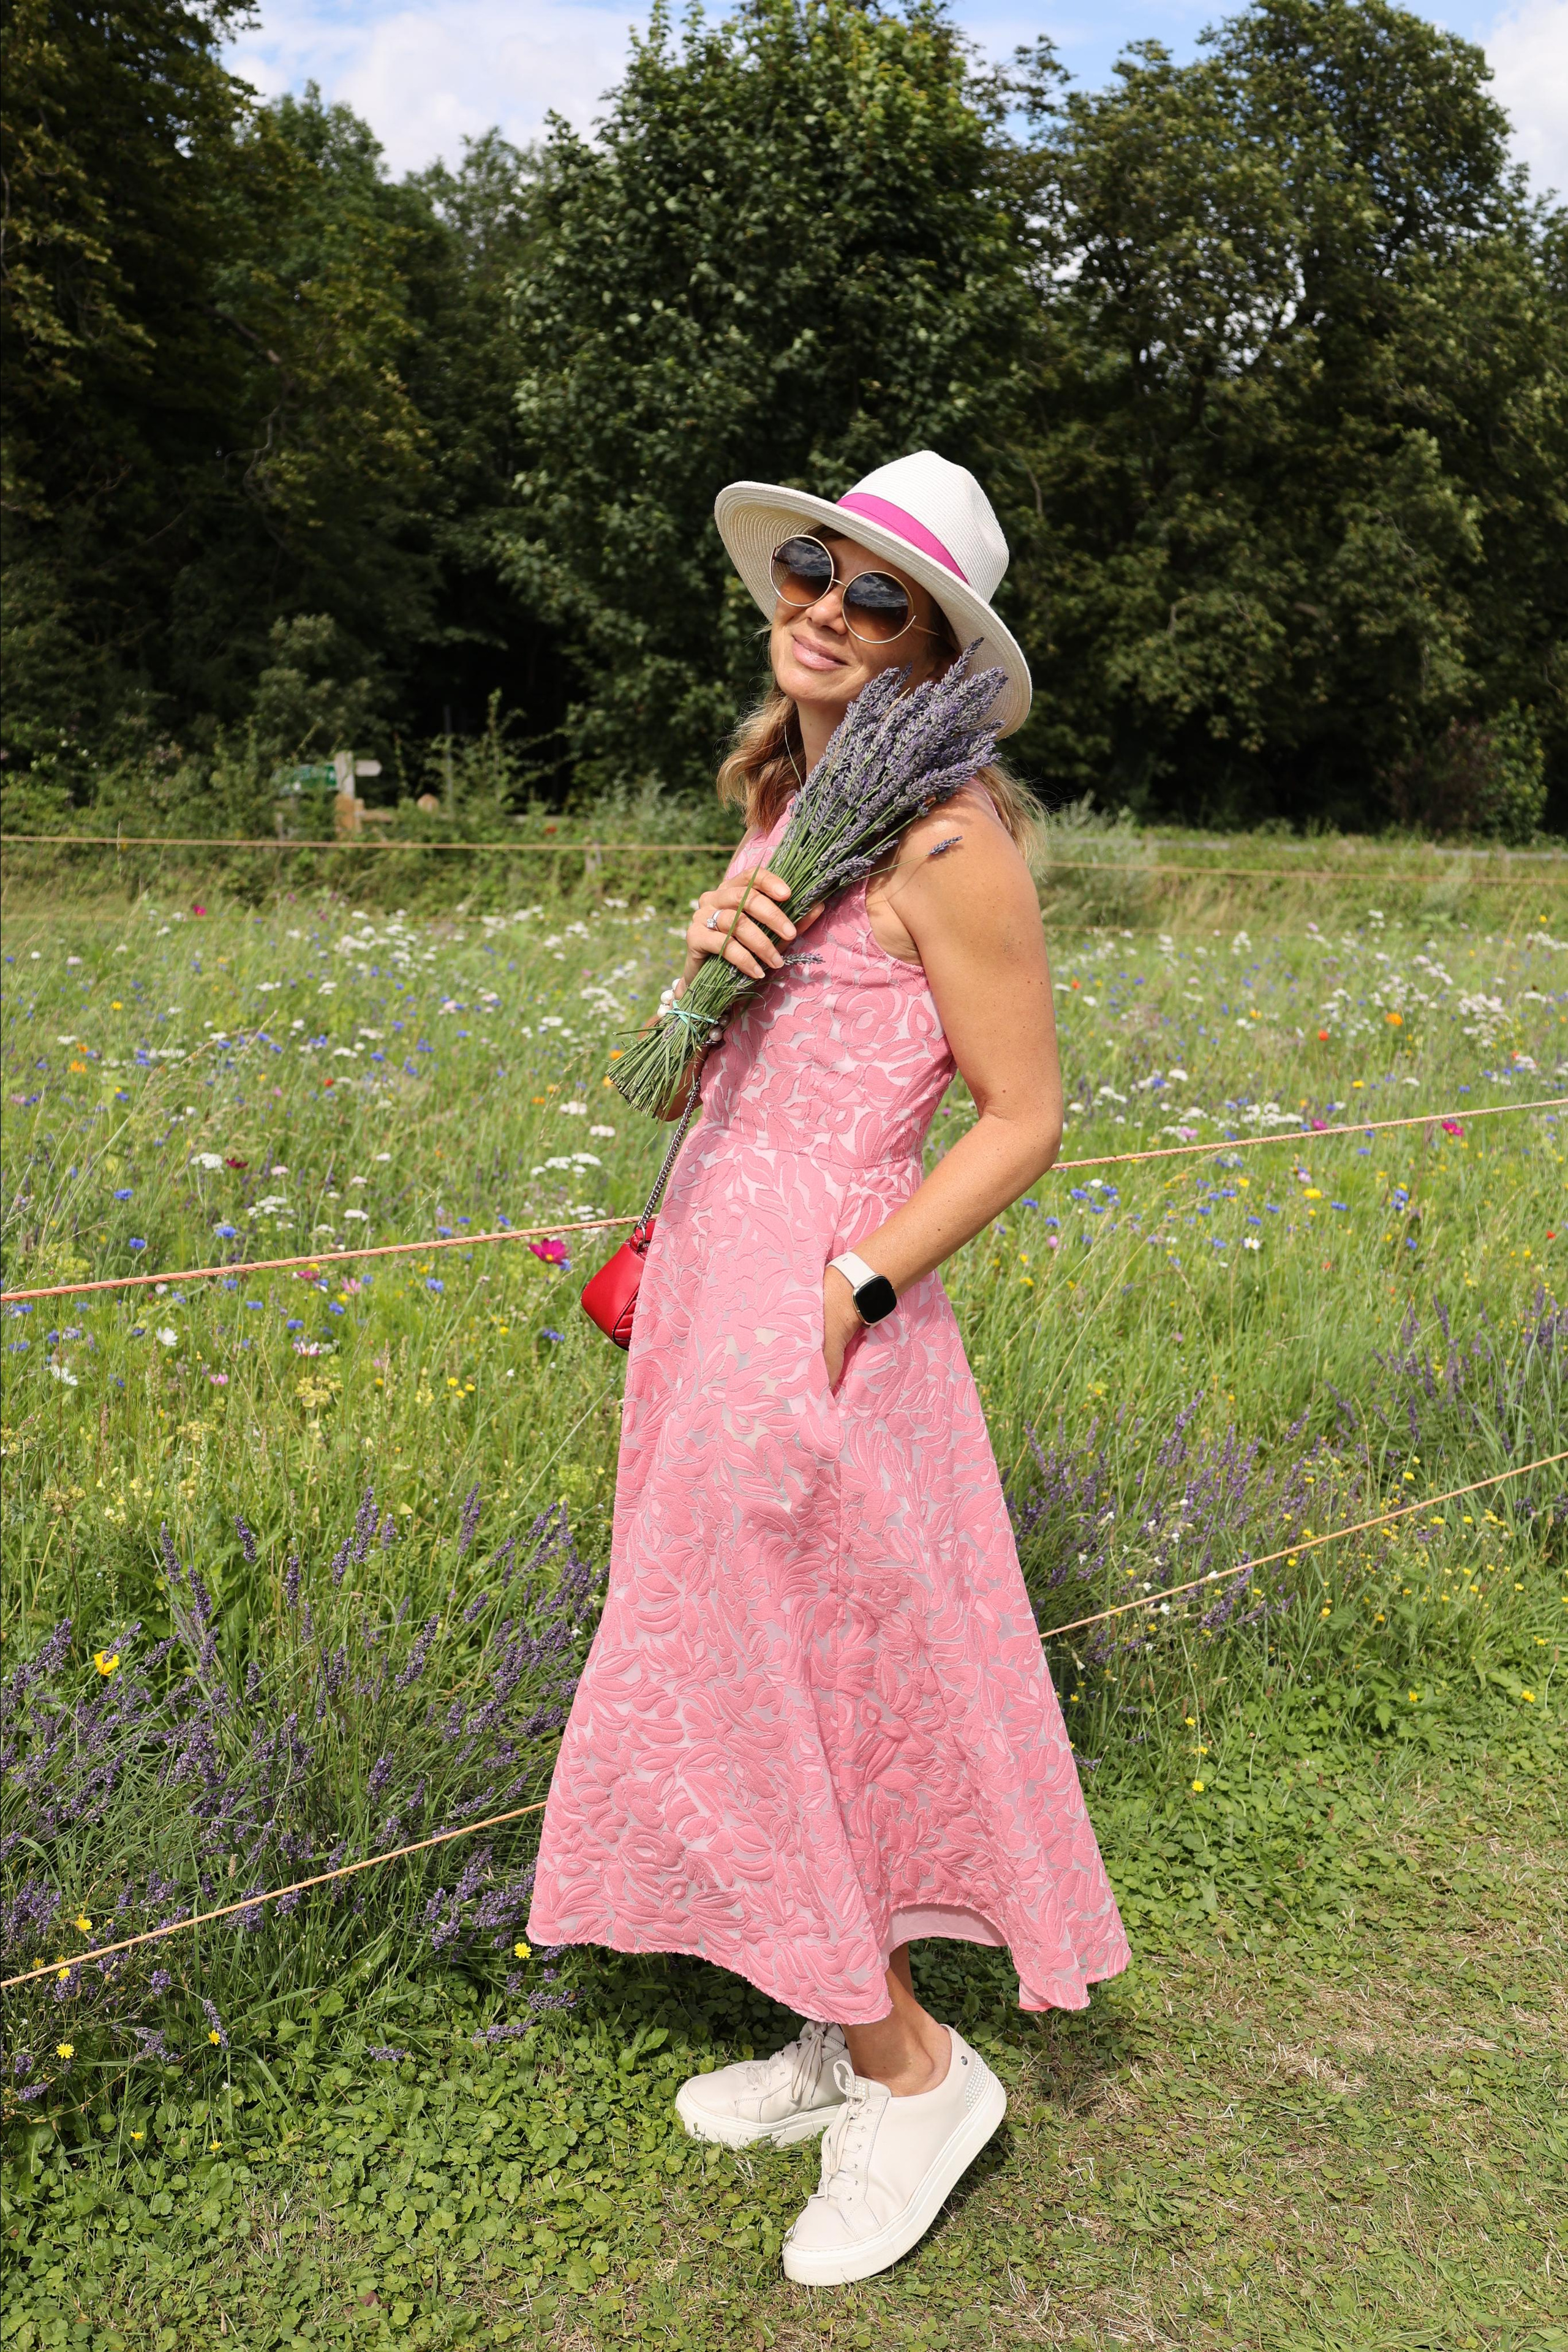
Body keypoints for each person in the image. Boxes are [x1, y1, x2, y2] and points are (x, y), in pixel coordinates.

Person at [527, 451, 1128, 2286]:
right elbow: (711, 1088)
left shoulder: (949, 842)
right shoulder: (794, 809)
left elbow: (1023, 1117)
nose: (828, 609)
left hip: (818, 1326)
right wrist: (694, 984)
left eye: (880, 598)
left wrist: (853, 1288)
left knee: (751, 1680)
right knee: (791, 1677)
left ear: (935, 651)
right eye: (814, 567)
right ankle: (833, 2014)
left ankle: (917, 2074)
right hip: (709, 1300)